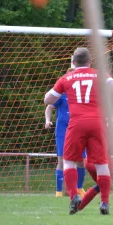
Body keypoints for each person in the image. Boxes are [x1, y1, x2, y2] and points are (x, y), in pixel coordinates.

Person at [44, 47, 113, 215]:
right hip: (97, 123)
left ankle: (73, 196)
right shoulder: (100, 75)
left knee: (68, 161)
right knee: (101, 164)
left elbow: (48, 99)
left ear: (73, 62)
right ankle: (105, 202)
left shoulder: (66, 77)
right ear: (90, 61)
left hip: (76, 123)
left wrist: (57, 91)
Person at [44, 69, 86, 198]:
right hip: (63, 130)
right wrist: (47, 120)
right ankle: (58, 191)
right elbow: (49, 107)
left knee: (81, 161)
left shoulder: (82, 94)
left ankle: (78, 188)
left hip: (79, 129)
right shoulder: (61, 94)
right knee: (62, 160)